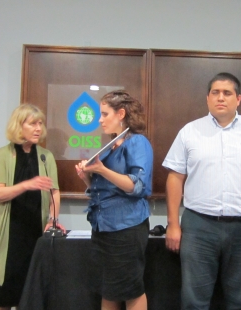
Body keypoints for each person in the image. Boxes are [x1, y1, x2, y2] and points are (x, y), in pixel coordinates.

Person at [162, 72, 241, 309]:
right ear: (207, 98)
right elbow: (175, 178)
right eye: (215, 92)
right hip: (198, 227)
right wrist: (173, 223)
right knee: (194, 300)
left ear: (238, 99)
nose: (221, 98)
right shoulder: (190, 131)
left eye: (227, 93)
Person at [0, 104, 65, 310]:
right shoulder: (3, 155)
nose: (38, 128)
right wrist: (27, 185)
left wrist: (52, 220)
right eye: (32, 123)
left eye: (40, 123)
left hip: (36, 231)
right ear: (19, 125)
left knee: (32, 296)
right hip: (9, 233)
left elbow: (54, 191)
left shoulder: (46, 156)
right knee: (5, 297)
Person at [75, 90, 153, 310]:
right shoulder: (111, 146)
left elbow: (137, 186)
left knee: (131, 289)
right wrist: (88, 177)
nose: (99, 119)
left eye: (104, 114)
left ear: (121, 114)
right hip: (103, 227)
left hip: (126, 227)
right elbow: (106, 188)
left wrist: (101, 169)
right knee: (107, 289)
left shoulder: (137, 142)